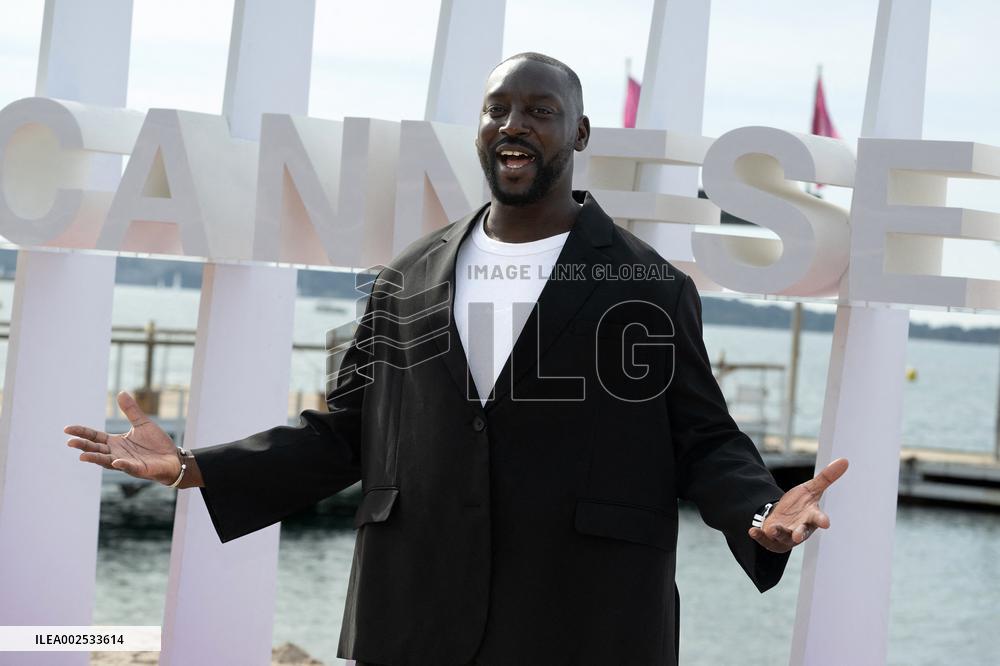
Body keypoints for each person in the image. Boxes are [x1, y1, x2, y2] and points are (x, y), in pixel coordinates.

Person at [66, 52, 848, 666]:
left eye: (541, 112)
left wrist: (757, 511)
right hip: (412, 617)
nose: (515, 124)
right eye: (497, 109)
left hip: (585, 624)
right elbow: (348, 433)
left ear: (578, 135)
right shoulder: (407, 275)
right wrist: (194, 467)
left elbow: (702, 436)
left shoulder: (646, 284)